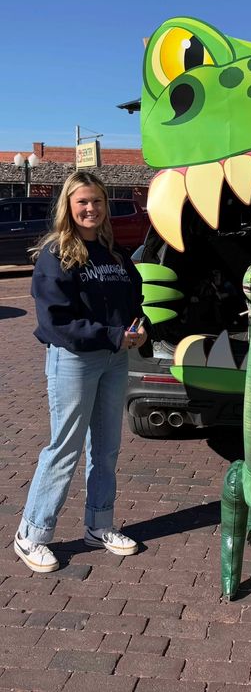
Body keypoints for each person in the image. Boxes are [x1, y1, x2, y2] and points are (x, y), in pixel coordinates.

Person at [14, 171, 146, 573]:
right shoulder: (56, 255)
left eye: (98, 202)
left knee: (106, 448)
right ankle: (31, 534)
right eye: (82, 202)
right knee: (64, 449)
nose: (91, 209)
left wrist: (141, 329)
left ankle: (99, 524)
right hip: (75, 359)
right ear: (69, 208)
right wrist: (111, 333)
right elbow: (54, 321)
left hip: (114, 357)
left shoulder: (115, 254)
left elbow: (134, 300)